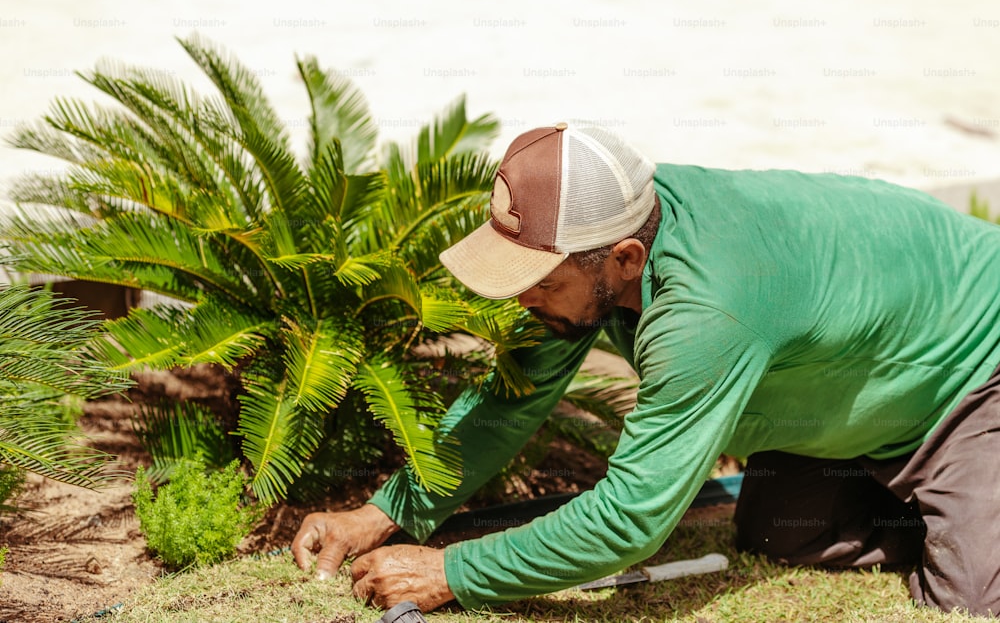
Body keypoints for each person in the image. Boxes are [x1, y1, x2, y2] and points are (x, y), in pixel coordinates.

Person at [292, 122, 1000, 617]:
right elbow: (507, 404)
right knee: (777, 532)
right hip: (873, 375)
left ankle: (965, 495)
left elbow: (631, 518)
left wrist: (452, 571)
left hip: (979, 368)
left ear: (626, 259)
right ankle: (941, 502)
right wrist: (382, 514)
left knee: (969, 590)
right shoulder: (598, 248)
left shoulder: (706, 308)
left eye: (538, 279)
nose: (520, 297)